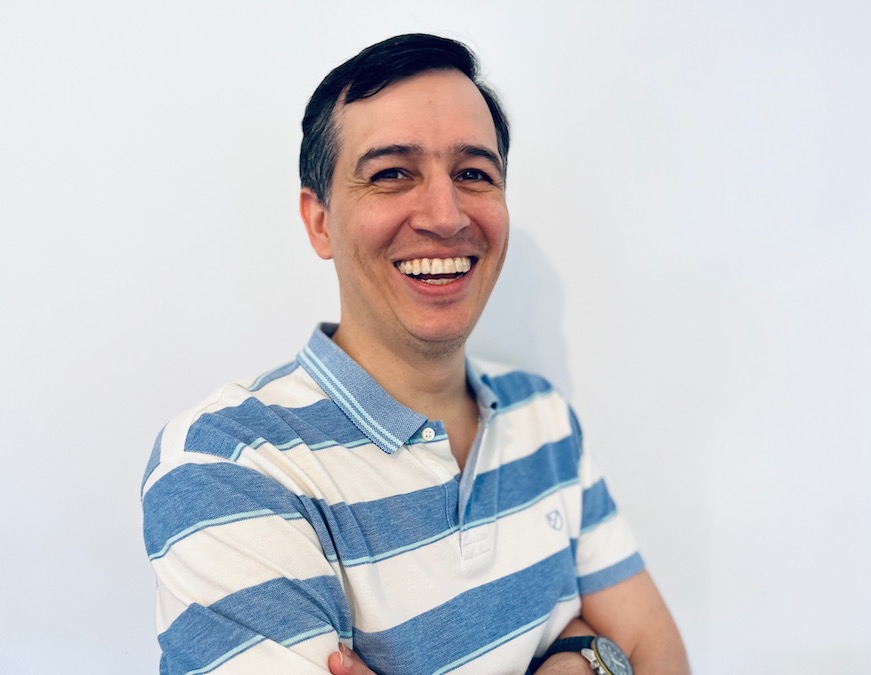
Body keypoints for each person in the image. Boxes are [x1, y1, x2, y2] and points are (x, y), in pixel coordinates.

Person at [141, 33, 689, 675]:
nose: (445, 216)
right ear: (320, 222)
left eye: (473, 173)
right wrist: (580, 649)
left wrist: (584, 658)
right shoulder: (228, 463)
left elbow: (657, 654)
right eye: (392, 173)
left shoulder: (543, 417)